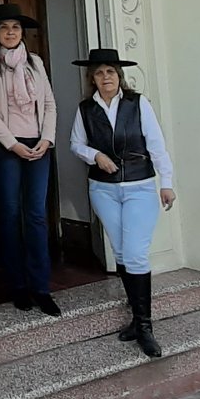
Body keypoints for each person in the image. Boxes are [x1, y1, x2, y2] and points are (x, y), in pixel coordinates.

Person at [68, 48, 176, 357]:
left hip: (140, 186)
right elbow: (76, 143)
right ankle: (135, 319)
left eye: (110, 72)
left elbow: (156, 144)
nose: (106, 78)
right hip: (103, 190)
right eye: (99, 73)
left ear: (120, 76)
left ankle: (145, 327)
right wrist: (95, 155)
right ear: (93, 78)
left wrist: (166, 183)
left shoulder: (138, 104)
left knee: (136, 253)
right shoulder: (86, 109)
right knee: (120, 253)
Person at [0, 3, 61, 315]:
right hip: (4, 146)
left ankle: (41, 286)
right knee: (9, 215)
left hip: (38, 145)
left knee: (36, 215)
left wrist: (46, 139)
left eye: (16, 27)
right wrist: (12, 144)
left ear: (22, 33)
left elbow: (49, 102)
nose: (11, 32)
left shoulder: (35, 62)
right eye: (4, 27)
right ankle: (18, 286)